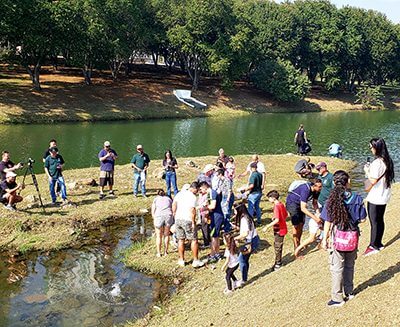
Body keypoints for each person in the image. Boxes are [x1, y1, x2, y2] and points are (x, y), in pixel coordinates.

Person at [321, 170, 367, 307]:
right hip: (352, 236)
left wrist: (325, 238)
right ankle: (349, 291)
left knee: (337, 268)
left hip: (338, 238)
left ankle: (337, 298)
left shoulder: (331, 201)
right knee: (349, 265)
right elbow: (363, 219)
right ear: (348, 182)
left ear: (334, 183)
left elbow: (327, 222)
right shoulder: (357, 199)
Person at [363, 138, 394, 256]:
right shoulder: (387, 160)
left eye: (371, 147)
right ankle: (379, 243)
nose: (370, 149)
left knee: (374, 222)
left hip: (376, 196)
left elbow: (372, 180)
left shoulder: (377, 163)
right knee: (380, 220)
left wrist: (367, 171)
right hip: (384, 195)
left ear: (376, 147)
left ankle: (373, 245)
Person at [172, 181, 204, 268]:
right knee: (194, 240)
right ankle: (195, 260)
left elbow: (174, 204)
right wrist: (193, 222)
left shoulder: (179, 194)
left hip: (178, 219)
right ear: (195, 189)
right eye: (197, 190)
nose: (197, 192)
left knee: (180, 239)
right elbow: (192, 210)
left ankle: (181, 260)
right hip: (187, 220)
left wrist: (175, 215)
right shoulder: (192, 197)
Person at [286, 178, 322, 252]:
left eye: (321, 186)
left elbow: (315, 203)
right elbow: (303, 208)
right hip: (292, 204)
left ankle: (299, 243)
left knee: (301, 224)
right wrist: (315, 218)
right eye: (319, 187)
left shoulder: (317, 191)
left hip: (300, 204)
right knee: (296, 226)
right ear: (314, 186)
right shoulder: (306, 189)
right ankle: (296, 247)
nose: (321, 188)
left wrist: (318, 214)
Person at [233, 203, 260, 285]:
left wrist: (235, 238)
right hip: (254, 239)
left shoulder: (244, 219)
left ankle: (244, 279)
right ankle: (244, 277)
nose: (234, 212)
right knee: (245, 259)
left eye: (234, 210)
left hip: (249, 241)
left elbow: (245, 233)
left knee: (241, 259)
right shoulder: (247, 216)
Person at [262, 190, 288, 270]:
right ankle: (278, 261)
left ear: (273, 198)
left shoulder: (276, 206)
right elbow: (285, 215)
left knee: (278, 246)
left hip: (279, 229)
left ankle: (278, 263)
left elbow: (277, 220)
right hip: (283, 227)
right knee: (277, 245)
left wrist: (267, 226)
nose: (269, 200)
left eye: (269, 198)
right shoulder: (281, 204)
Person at [151, 189, 173, 257]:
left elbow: (153, 211)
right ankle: (166, 252)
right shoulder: (169, 199)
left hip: (159, 216)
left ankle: (158, 253)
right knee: (166, 235)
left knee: (158, 236)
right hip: (168, 216)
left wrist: (154, 218)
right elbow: (172, 208)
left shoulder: (155, 199)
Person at [197, 181, 212, 248]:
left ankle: (207, 242)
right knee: (205, 227)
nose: (200, 190)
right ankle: (208, 241)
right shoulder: (201, 195)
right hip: (201, 212)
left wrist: (206, 214)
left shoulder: (208, 195)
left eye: (201, 189)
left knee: (205, 228)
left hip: (205, 213)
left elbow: (207, 204)